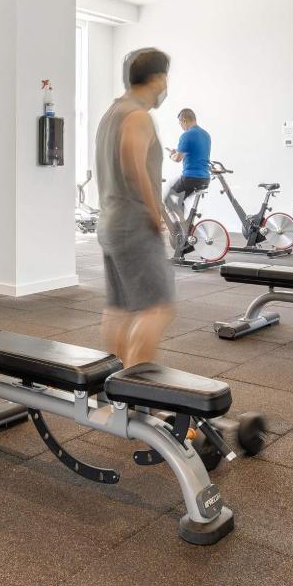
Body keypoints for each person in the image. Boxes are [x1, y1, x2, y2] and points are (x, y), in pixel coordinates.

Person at [95, 48, 174, 368]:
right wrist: (155, 214)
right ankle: (134, 389)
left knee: (120, 308)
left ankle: (110, 383)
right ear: (158, 79)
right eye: (165, 78)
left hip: (111, 221)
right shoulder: (138, 115)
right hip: (134, 223)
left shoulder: (111, 113)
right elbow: (134, 165)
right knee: (156, 308)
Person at [164, 108, 212, 225]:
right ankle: (184, 226)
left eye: (180, 123)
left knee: (167, 199)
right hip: (205, 178)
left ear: (184, 120)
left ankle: (182, 226)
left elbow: (178, 158)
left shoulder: (186, 135)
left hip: (190, 178)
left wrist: (171, 155)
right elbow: (193, 152)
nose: (181, 126)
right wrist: (177, 152)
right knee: (179, 200)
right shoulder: (206, 134)